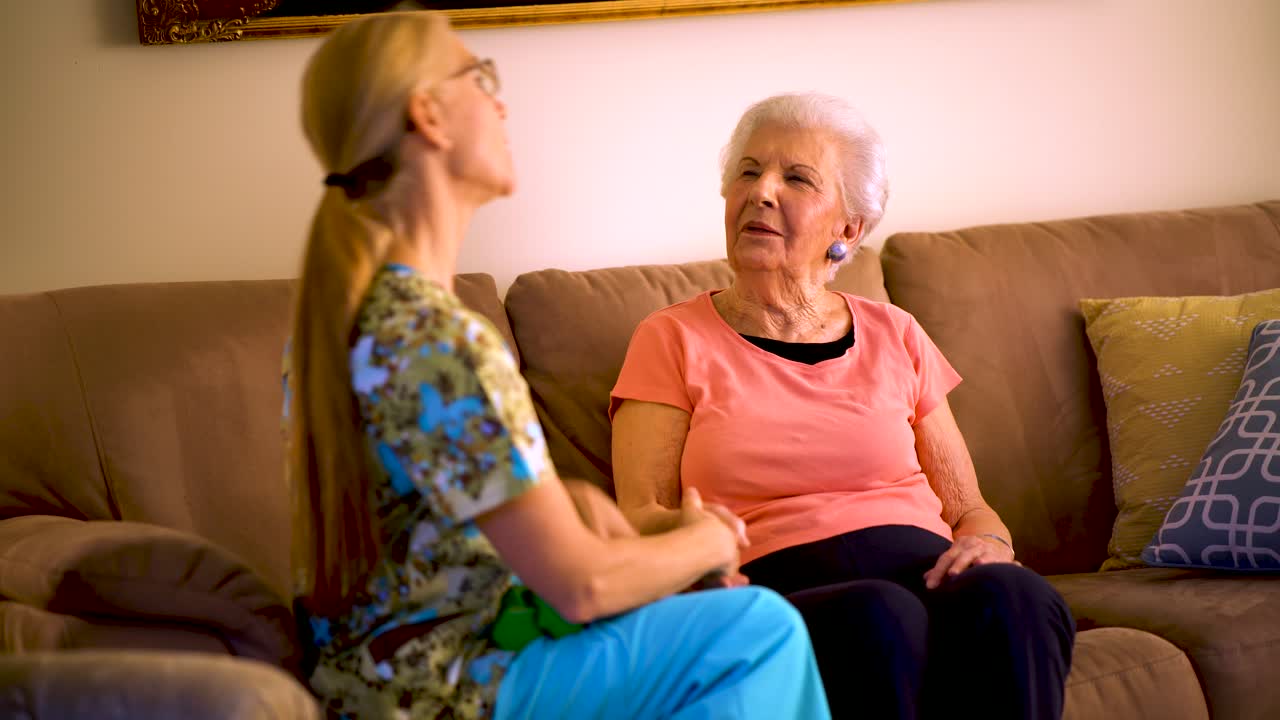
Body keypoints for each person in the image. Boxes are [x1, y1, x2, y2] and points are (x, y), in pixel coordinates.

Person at [284, 13, 830, 720]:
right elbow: (581, 588)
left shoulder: (350, 328)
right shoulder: (436, 340)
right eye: (480, 79)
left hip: (383, 682)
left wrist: (622, 530)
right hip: (455, 688)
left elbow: (445, 546)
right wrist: (707, 539)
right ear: (429, 115)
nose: (501, 103)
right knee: (759, 628)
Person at [610, 92, 1075, 720]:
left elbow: (969, 507)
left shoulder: (896, 333)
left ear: (848, 230)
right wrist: (698, 568)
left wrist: (990, 544)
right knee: (879, 615)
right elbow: (641, 515)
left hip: (929, 569)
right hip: (779, 586)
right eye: (748, 171)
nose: (762, 191)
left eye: (796, 178)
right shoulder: (671, 338)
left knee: (1014, 595)